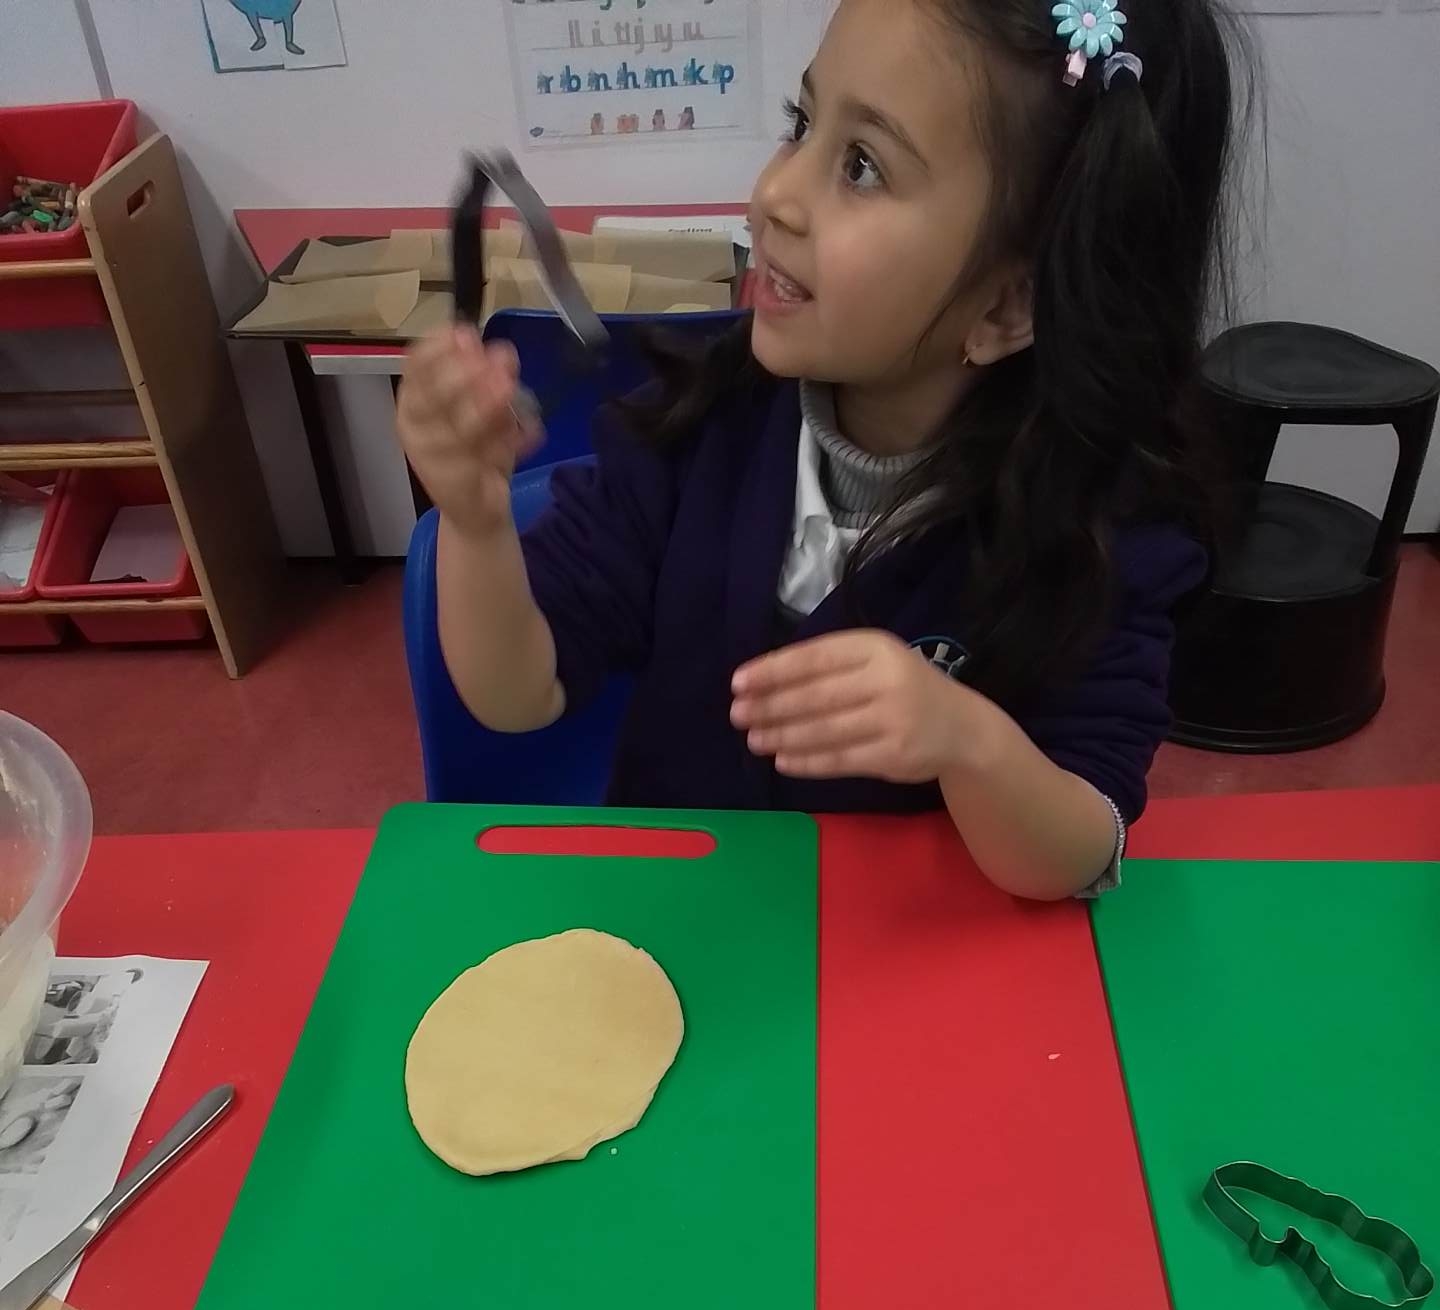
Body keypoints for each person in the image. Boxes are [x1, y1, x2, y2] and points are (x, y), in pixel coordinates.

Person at [398, 0, 1245, 899]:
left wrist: (965, 739)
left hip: (905, 952)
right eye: (800, 124)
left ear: (1006, 306)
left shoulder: (1101, 533)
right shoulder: (698, 424)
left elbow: (1077, 854)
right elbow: (517, 691)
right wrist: (476, 523)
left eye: (862, 166)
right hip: (687, 923)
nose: (775, 194)